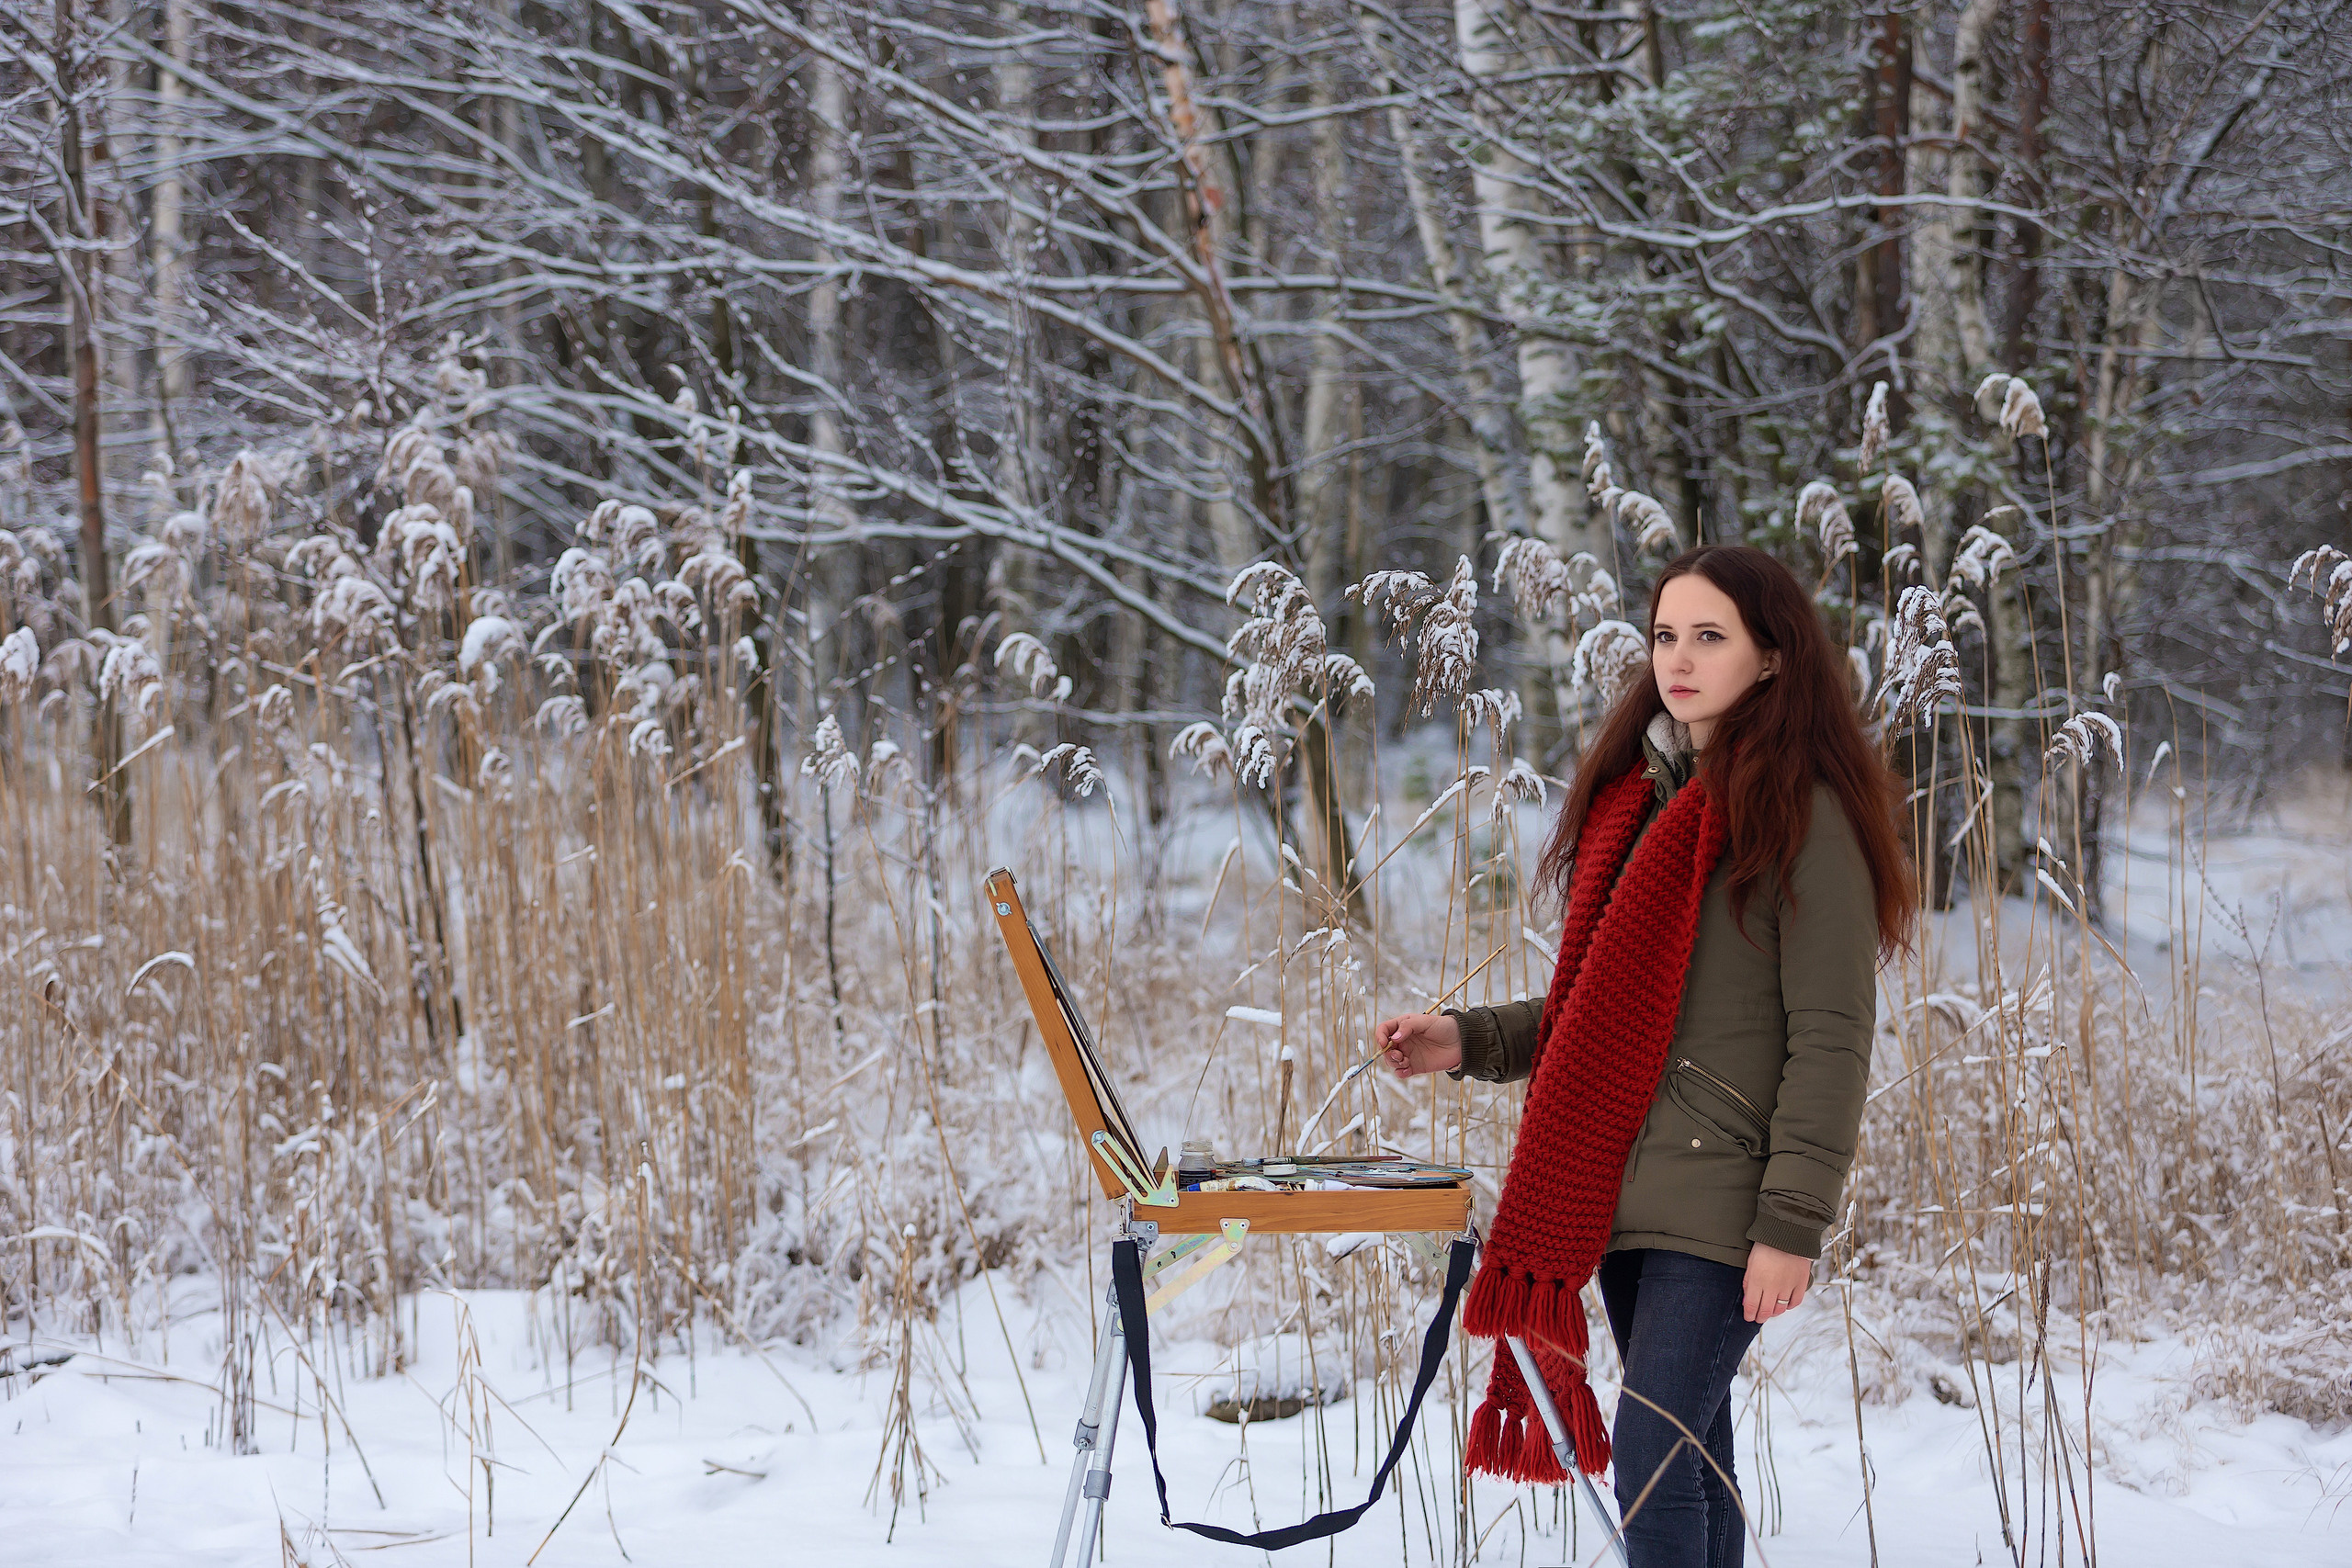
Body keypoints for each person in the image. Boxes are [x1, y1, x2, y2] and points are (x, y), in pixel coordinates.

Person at [1375, 544, 1917, 1568]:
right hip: (1620, 1194)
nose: (1679, 656)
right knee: (1691, 1462)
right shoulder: (1644, 800)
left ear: (1770, 658)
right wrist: (1464, 1040)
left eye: (1710, 636)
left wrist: (1791, 1224)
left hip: (1724, 1204)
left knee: (1652, 1463)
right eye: (1666, 634)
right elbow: (1600, 1008)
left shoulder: (1804, 816)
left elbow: (1832, 1039)